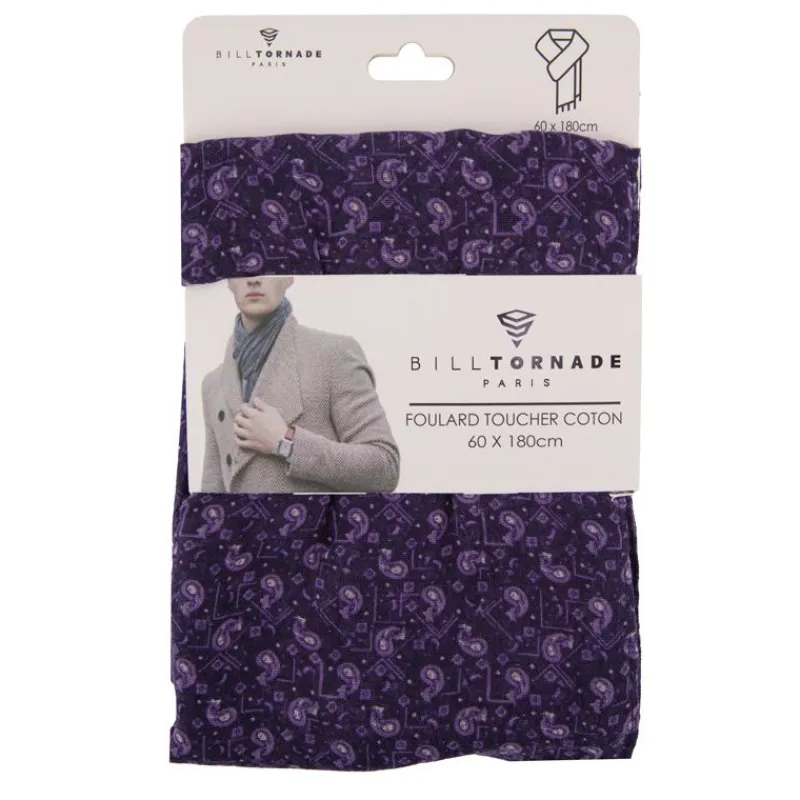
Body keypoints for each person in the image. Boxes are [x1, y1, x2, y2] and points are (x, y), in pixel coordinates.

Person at [201, 275, 400, 493]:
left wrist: (286, 441)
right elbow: (212, 494)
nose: (254, 279)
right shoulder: (213, 384)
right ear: (229, 280)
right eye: (242, 269)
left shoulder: (334, 354)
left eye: (269, 267)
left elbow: (385, 468)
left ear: (289, 277)